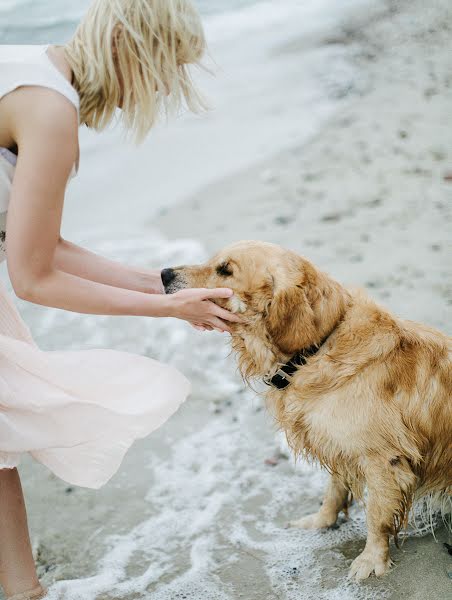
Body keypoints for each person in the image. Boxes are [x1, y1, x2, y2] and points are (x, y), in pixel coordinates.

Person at [0, 1, 241, 598]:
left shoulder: (28, 67)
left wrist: (161, 283)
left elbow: (43, 244)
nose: (165, 89)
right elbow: (33, 277)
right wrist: (169, 310)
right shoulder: (51, 111)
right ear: (132, 49)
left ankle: (22, 586)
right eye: (167, 68)